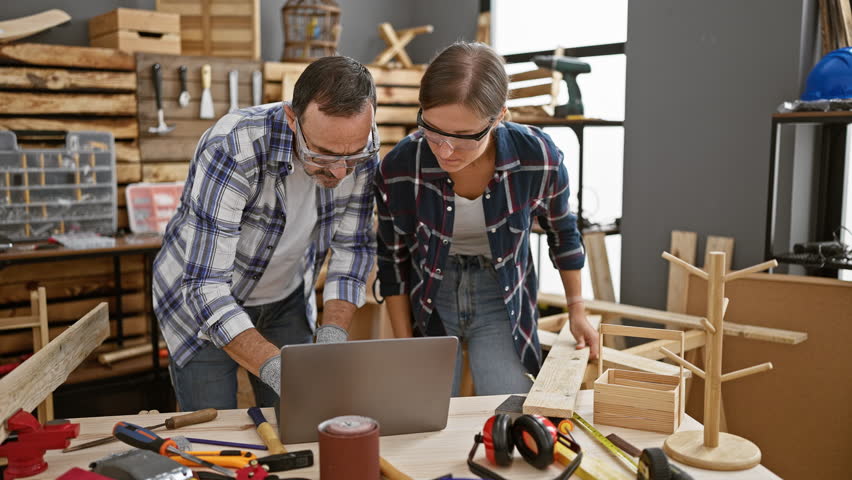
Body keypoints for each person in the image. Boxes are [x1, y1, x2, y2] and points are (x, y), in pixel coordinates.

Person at [153, 56, 379, 411]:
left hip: (287, 299)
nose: (339, 171)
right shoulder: (233, 148)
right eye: (323, 154)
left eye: (351, 156)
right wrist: (275, 369)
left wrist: (332, 336)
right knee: (216, 431)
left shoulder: (358, 145)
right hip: (201, 303)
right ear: (293, 120)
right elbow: (205, 286)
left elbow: (353, 249)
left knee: (300, 422)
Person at [375, 42, 599, 396]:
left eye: (464, 138)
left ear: (499, 118)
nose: (445, 150)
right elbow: (393, 259)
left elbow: (563, 233)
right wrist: (406, 343)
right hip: (433, 295)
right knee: (428, 411)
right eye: (432, 130)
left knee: (509, 405)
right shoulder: (401, 166)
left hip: (503, 292)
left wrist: (577, 310)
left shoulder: (538, 158)